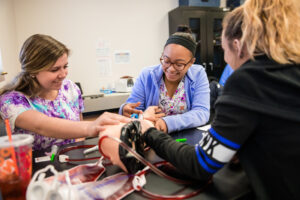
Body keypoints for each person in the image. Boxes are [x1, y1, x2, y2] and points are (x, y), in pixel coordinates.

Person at [113, 1, 300, 199]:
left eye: (224, 50)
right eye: (166, 61)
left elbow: (201, 163)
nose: (226, 60)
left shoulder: (248, 81)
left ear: (237, 46)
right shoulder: (289, 71)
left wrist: (149, 131)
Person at [0, 34, 130, 151]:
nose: (63, 74)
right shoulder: (11, 101)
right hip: (36, 170)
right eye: (55, 69)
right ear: (33, 71)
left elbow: (78, 127)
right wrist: (92, 127)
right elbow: (41, 125)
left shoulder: (70, 88)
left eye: (65, 66)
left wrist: (76, 152)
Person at [119, 26, 210, 133]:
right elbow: (134, 110)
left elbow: (201, 112)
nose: (171, 69)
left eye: (179, 64)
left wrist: (167, 123)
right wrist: (125, 109)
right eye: (166, 61)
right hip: (152, 137)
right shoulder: (147, 75)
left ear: (191, 62)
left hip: (185, 138)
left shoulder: (198, 74)